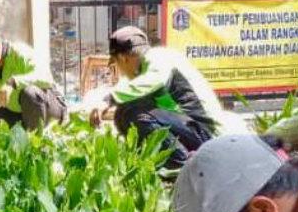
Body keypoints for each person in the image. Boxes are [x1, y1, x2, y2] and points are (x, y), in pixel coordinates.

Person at [90, 26, 248, 168]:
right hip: (193, 128)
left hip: (207, 133)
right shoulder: (150, 64)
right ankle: (154, 163)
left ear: (123, 59)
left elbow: (152, 82)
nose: (120, 72)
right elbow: (133, 87)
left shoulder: (159, 59)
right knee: (124, 112)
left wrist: (110, 99)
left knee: (133, 113)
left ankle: (184, 167)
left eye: (116, 65)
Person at [0, 23, 65, 130]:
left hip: (50, 108)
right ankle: (23, 134)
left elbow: (46, 78)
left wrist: (12, 83)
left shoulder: (20, 53)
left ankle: (35, 142)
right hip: (19, 113)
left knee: (30, 93)